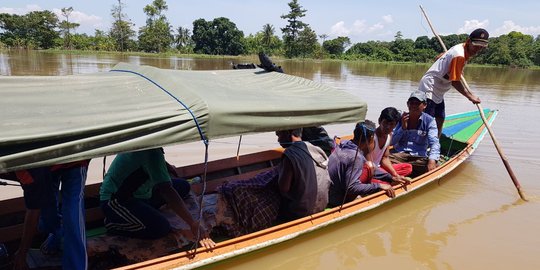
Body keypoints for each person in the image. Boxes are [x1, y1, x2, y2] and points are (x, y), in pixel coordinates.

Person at [99, 148, 215, 249]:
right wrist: (192, 223)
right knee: (161, 228)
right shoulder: (150, 152)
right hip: (117, 200)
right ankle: (114, 222)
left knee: (183, 186)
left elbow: (154, 162)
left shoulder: (153, 149)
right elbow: (167, 191)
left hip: (143, 194)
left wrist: (167, 166)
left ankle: (146, 211)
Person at [417, 28, 489, 137]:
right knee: (428, 119)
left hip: (439, 89)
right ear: (468, 41)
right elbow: (455, 81)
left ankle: (436, 142)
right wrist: (470, 96)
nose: (478, 49)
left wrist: (455, 67)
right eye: (476, 45)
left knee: (440, 117)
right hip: (430, 86)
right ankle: (421, 144)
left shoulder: (461, 48)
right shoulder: (459, 54)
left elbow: (438, 58)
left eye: (481, 46)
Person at [327, 121, 395, 208]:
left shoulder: (344, 145)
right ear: (371, 138)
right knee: (369, 170)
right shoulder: (355, 157)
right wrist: (379, 186)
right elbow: (351, 188)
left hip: (329, 192)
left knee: (370, 166)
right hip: (335, 200)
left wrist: (390, 177)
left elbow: (366, 164)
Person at [275, 128, 325, 221]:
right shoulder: (317, 149)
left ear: (287, 133)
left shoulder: (290, 154)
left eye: (279, 135)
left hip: (300, 213)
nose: (278, 140)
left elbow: (283, 188)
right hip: (321, 206)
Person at [391, 91, 440, 177]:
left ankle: (404, 169)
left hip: (418, 158)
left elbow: (434, 142)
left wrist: (432, 160)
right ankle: (404, 170)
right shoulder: (401, 118)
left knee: (434, 164)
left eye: (417, 103)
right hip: (400, 155)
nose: (413, 106)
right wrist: (403, 128)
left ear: (424, 105)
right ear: (407, 104)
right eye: (411, 103)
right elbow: (391, 142)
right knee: (385, 160)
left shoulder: (429, 121)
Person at [367, 107, 412, 184]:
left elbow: (385, 158)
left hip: (378, 169)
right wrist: (390, 177)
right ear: (379, 121)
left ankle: (386, 179)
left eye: (391, 124)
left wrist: (395, 175)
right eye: (385, 123)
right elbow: (367, 165)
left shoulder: (389, 136)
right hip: (368, 170)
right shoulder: (372, 138)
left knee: (408, 168)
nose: (388, 127)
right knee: (386, 183)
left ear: (395, 125)